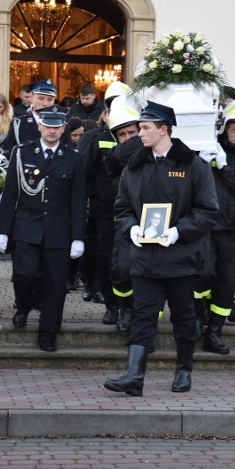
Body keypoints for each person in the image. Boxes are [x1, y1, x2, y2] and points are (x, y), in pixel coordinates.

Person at [104, 102, 218, 396]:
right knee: (142, 316)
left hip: (181, 257)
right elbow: (123, 208)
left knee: (183, 316)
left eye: (144, 128)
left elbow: (208, 212)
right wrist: (132, 229)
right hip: (145, 258)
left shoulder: (193, 166)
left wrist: (178, 231)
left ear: (163, 129)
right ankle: (133, 376)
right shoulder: (135, 165)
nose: (138, 134)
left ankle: (183, 371)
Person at [0, 106, 87, 352]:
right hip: (26, 226)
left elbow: (78, 200)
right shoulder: (22, 153)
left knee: (56, 284)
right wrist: (3, 229)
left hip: (58, 230)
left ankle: (48, 333)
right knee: (25, 273)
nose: (52, 130)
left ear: (63, 129)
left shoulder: (74, 157)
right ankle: (24, 305)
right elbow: (10, 193)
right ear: (40, 127)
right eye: (48, 125)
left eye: (57, 126)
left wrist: (78, 237)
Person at [195, 98, 235, 353]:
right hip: (207, 226)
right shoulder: (208, 149)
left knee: (227, 282)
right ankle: (197, 317)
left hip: (234, 229)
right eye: (234, 130)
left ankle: (214, 331)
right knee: (202, 274)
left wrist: (223, 167)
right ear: (225, 128)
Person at [85, 86, 141, 327]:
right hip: (104, 210)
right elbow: (87, 175)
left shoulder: (141, 140)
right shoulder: (96, 140)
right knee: (106, 258)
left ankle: (132, 307)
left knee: (129, 263)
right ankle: (111, 305)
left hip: (133, 212)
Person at [0, 79, 69, 154]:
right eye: (41, 98)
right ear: (31, 97)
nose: (45, 103)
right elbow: (9, 152)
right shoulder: (19, 124)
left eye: (50, 99)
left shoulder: (62, 125)